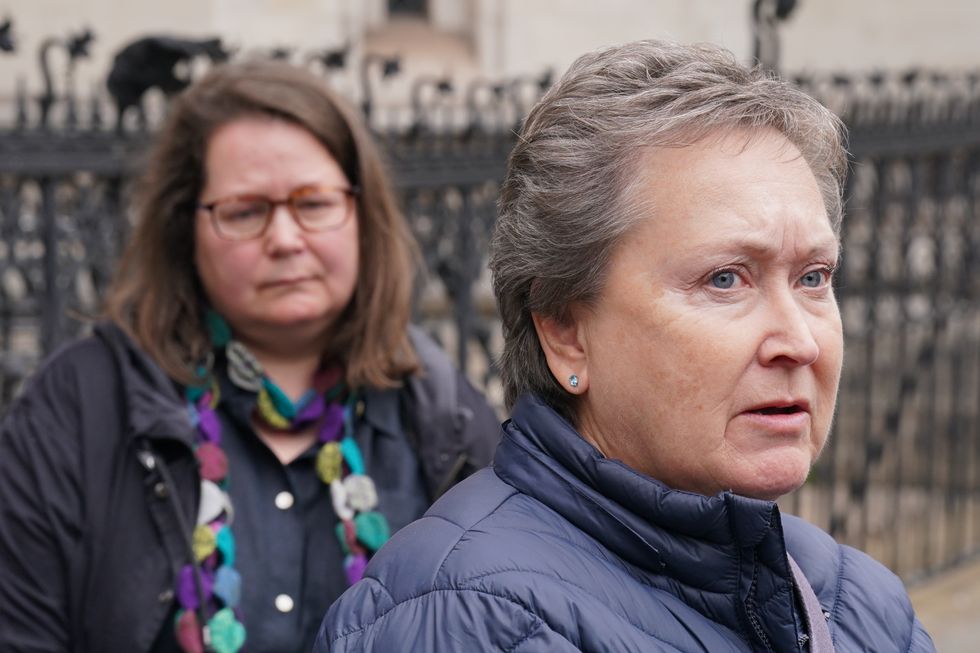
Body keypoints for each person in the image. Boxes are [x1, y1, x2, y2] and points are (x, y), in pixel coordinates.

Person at [316, 40, 936, 652]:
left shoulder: (860, 602)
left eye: (814, 277)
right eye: (725, 279)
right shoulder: (468, 619)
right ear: (565, 333)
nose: (799, 342)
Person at [0, 60, 500, 653]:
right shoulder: (79, 408)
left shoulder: (443, 413)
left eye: (314, 204)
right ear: (185, 230)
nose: (285, 239)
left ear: (361, 216)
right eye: (244, 211)